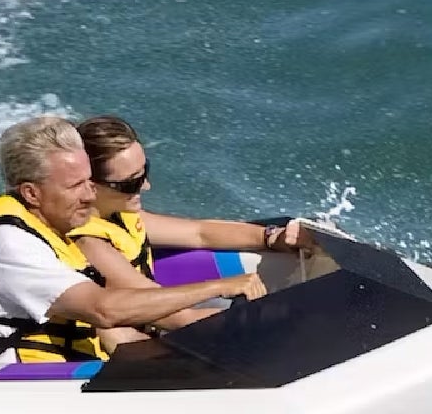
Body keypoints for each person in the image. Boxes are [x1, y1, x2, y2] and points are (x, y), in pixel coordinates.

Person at [0, 116, 265, 365]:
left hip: (78, 363)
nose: (90, 195)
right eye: (76, 186)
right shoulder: (11, 245)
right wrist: (219, 288)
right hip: (25, 386)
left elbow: (110, 329)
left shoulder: (57, 223)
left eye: (90, 182)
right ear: (31, 193)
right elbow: (103, 311)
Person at [68, 115, 314, 341]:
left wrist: (271, 237)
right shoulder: (91, 244)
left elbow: (200, 233)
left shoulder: (118, 215)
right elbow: (178, 319)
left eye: (144, 172)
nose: (146, 186)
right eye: (131, 183)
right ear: (91, 186)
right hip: (137, 340)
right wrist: (290, 315)